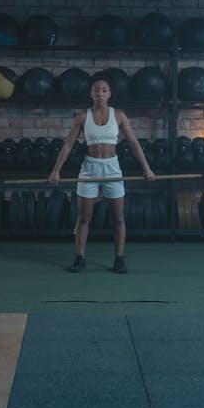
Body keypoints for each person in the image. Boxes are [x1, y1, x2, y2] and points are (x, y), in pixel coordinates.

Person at [48, 71, 156, 273]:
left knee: (118, 218)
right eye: (96, 90)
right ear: (91, 93)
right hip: (89, 169)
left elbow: (133, 143)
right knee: (83, 218)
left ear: (109, 94)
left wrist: (146, 168)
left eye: (104, 90)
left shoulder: (119, 115)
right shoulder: (82, 117)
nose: (100, 93)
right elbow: (68, 145)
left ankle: (119, 259)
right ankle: (79, 258)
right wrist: (56, 171)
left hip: (112, 168)